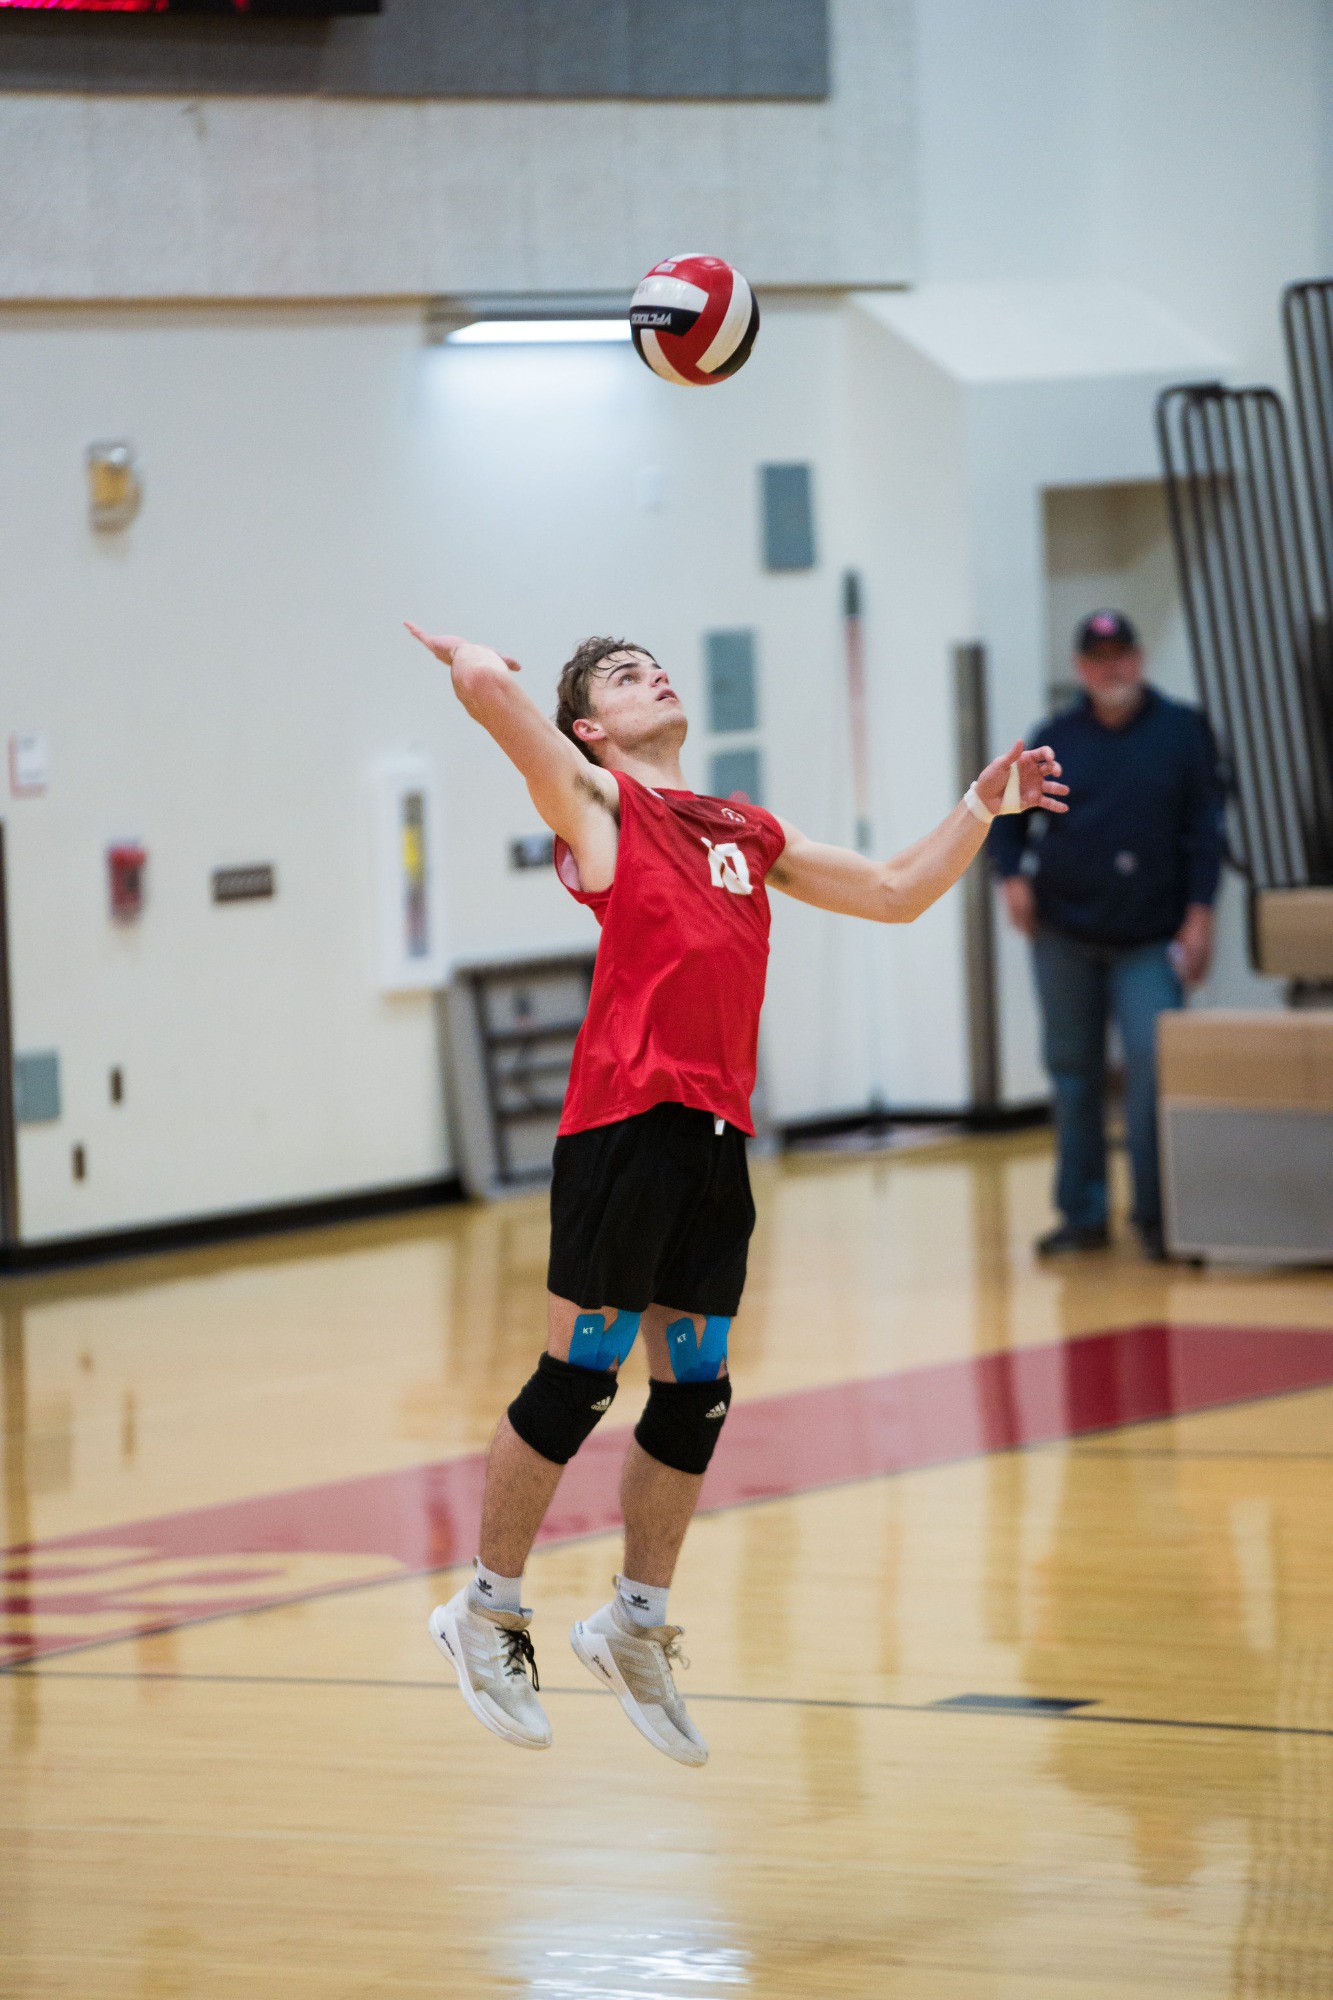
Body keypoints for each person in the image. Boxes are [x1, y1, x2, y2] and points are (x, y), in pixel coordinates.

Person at [404, 621, 1068, 1763]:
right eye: (622, 674)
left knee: (695, 1392)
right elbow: (487, 701)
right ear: (592, 729)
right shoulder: (601, 806)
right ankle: (486, 1607)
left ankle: (635, 1621)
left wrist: (980, 803)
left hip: (715, 1135)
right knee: (577, 1377)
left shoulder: (744, 828)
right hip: (621, 1124)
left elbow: (897, 889)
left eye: (651, 662)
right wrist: (474, 661)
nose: (651, 671)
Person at [989, 610, 1225, 1261]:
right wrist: (1011, 879)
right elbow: (1006, 823)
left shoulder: (1182, 733)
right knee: (1072, 1075)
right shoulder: (1054, 737)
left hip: (1150, 937)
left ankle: (1158, 1217)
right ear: (1079, 669)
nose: (1111, 667)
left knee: (1151, 1074)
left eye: (1121, 653)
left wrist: (1199, 914)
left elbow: (1205, 832)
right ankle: (1082, 1214)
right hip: (1063, 934)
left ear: (1139, 659)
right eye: (1098, 658)